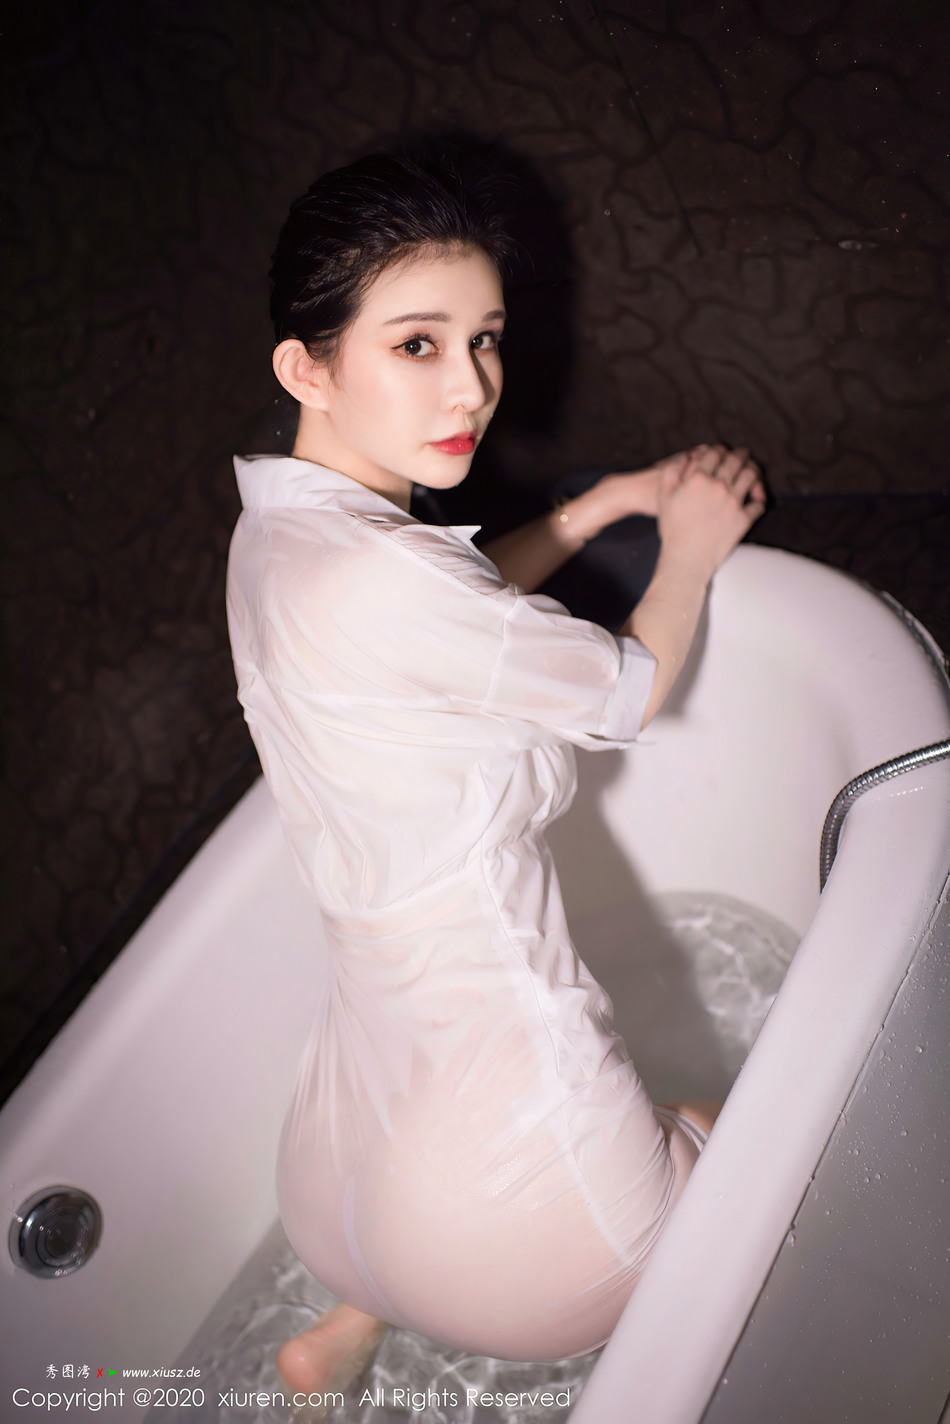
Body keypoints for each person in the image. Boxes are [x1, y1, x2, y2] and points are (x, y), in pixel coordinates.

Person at [225, 150, 766, 1401]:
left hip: (334, 1176)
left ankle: (348, 1319)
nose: (469, 384)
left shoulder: (277, 531)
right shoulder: (384, 573)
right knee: (733, 1120)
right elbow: (628, 689)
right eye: (416, 343)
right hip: (538, 1222)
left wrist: (598, 506)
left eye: (483, 338)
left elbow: (452, 609)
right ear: (307, 367)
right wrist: (687, 546)